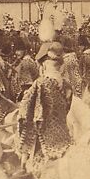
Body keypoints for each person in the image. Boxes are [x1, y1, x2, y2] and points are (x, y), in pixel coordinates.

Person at [16, 40, 73, 171]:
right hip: (64, 139)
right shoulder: (67, 85)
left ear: (44, 64)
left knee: (29, 170)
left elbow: (25, 115)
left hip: (45, 143)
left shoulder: (40, 84)